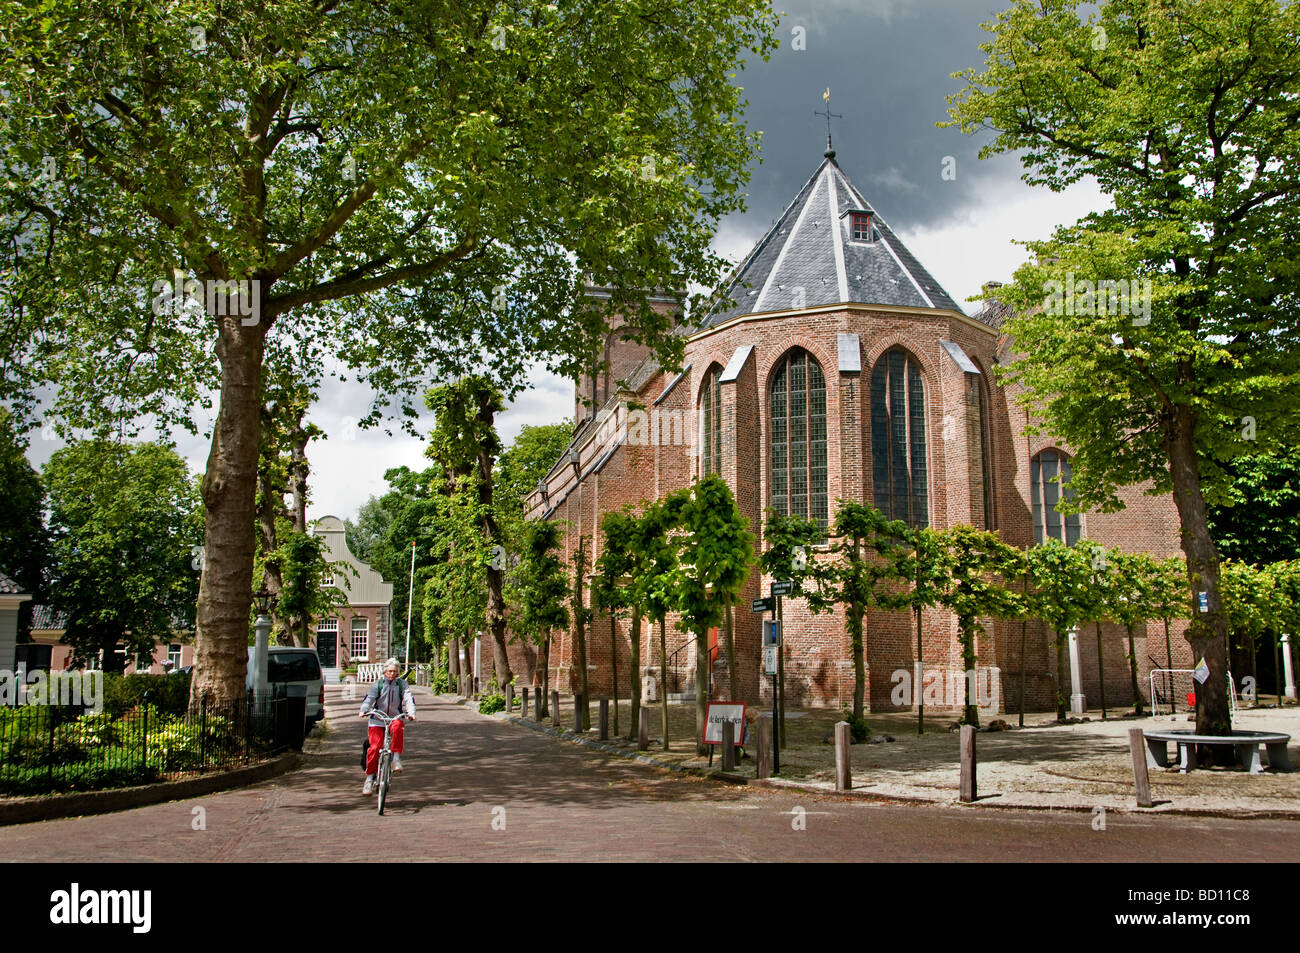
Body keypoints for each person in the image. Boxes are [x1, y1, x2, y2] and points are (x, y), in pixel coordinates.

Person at [358, 658, 416, 796]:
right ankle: (370, 778)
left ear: (397, 673)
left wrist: (411, 713)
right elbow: (369, 698)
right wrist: (363, 710)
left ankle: (395, 759)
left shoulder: (402, 685)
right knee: (374, 748)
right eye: (389, 671)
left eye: (394, 672)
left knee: (398, 727)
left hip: (394, 717)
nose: (391, 674)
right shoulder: (378, 684)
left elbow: (408, 699)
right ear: (385, 671)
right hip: (377, 719)